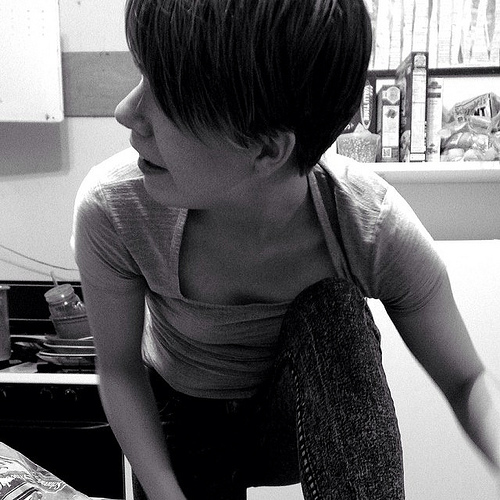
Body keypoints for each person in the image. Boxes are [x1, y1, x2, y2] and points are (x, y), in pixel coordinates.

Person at [72, 0, 500, 498]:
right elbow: (120, 370)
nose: (126, 112)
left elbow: (466, 379)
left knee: (335, 311)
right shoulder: (115, 207)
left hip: (293, 419)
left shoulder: (369, 225)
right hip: (183, 424)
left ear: (267, 149)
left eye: (164, 98)